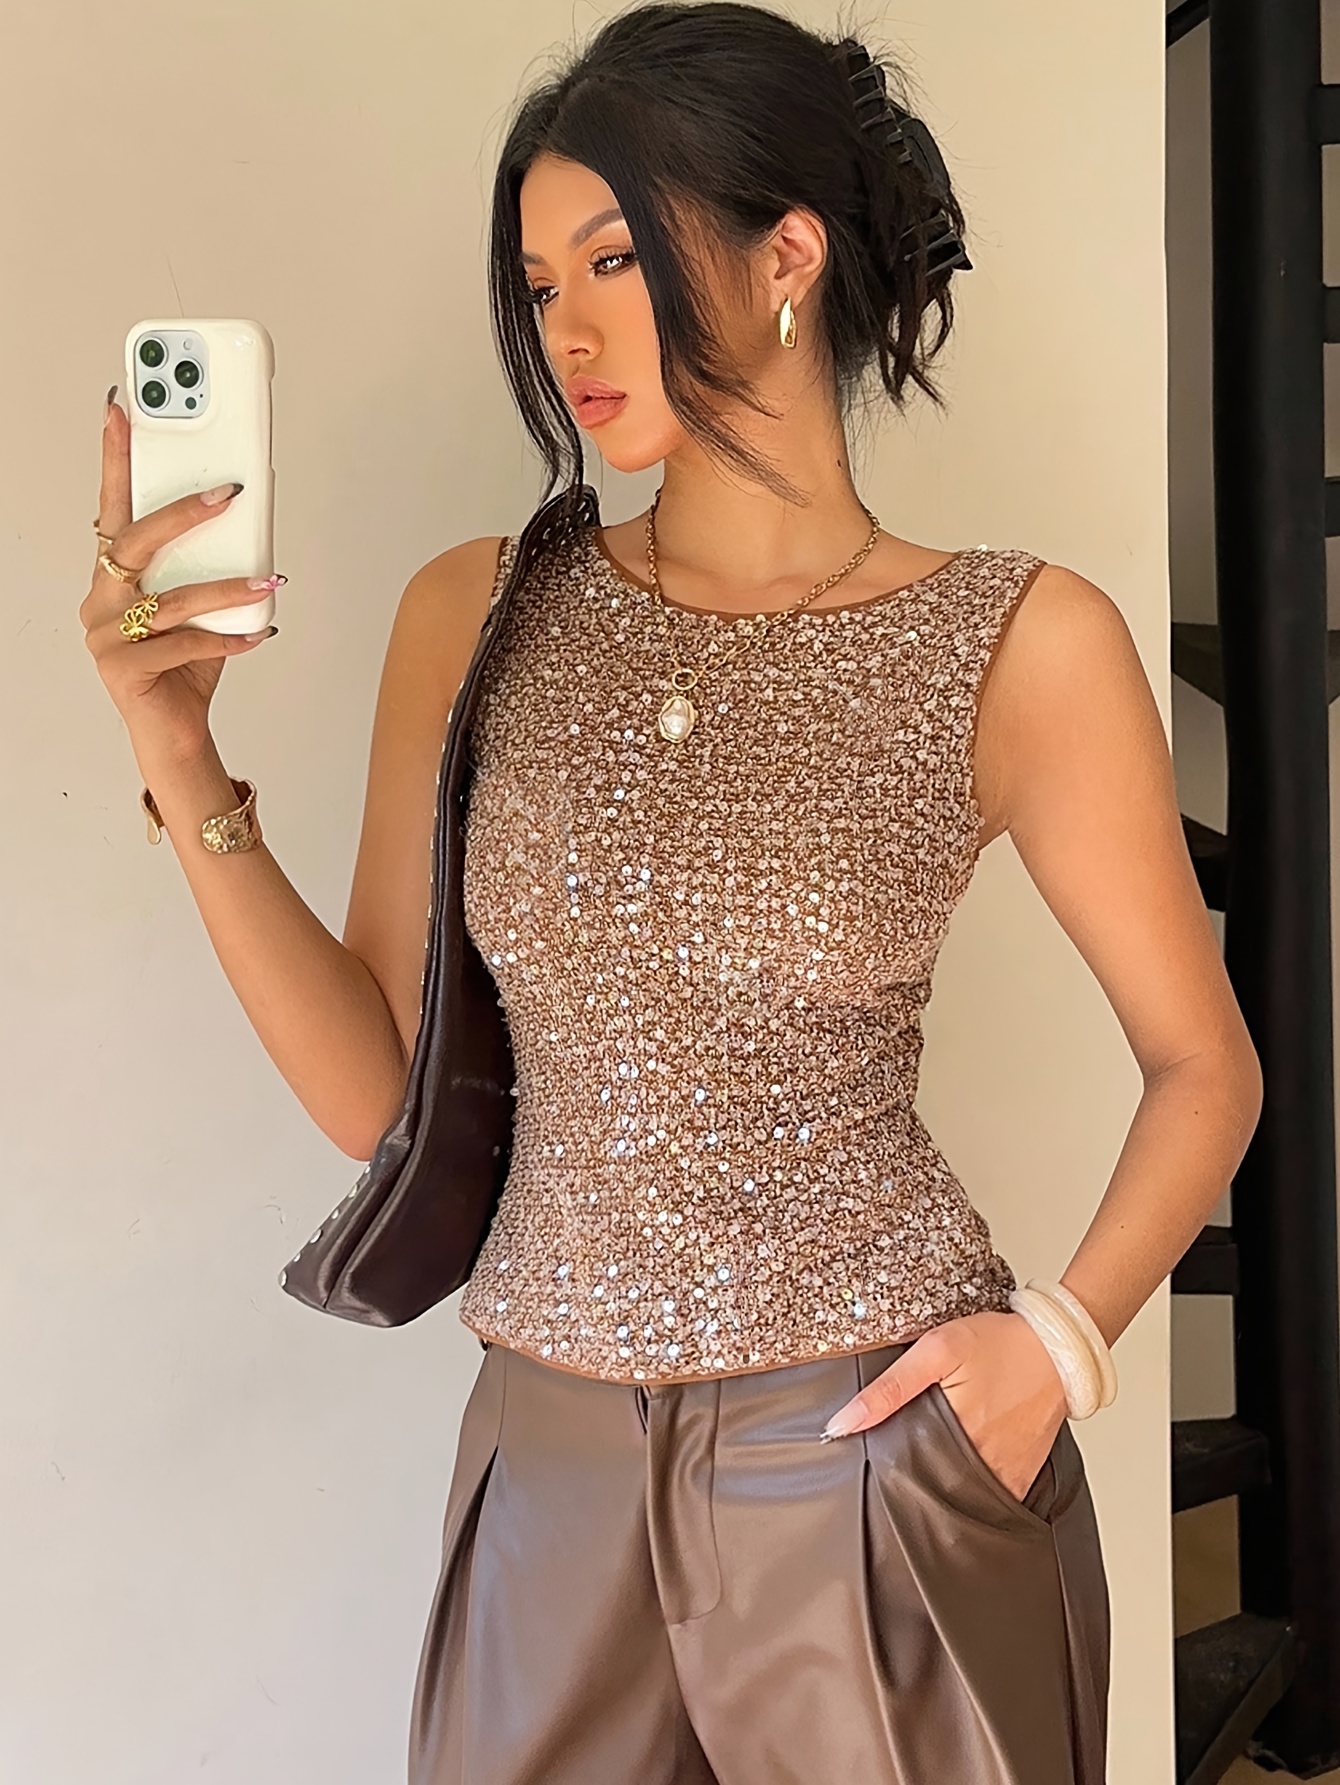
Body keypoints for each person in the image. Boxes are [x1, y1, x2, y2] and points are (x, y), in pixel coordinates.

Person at [80, 4, 1263, 1781]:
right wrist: (176, 750)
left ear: (790, 258)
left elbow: (1204, 1064)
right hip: (545, 1461)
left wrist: (1056, 1349)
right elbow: (373, 1093)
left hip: (872, 1449)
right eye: (539, 279)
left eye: (617, 258)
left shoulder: (1018, 640)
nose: (567, 328)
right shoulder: (474, 611)